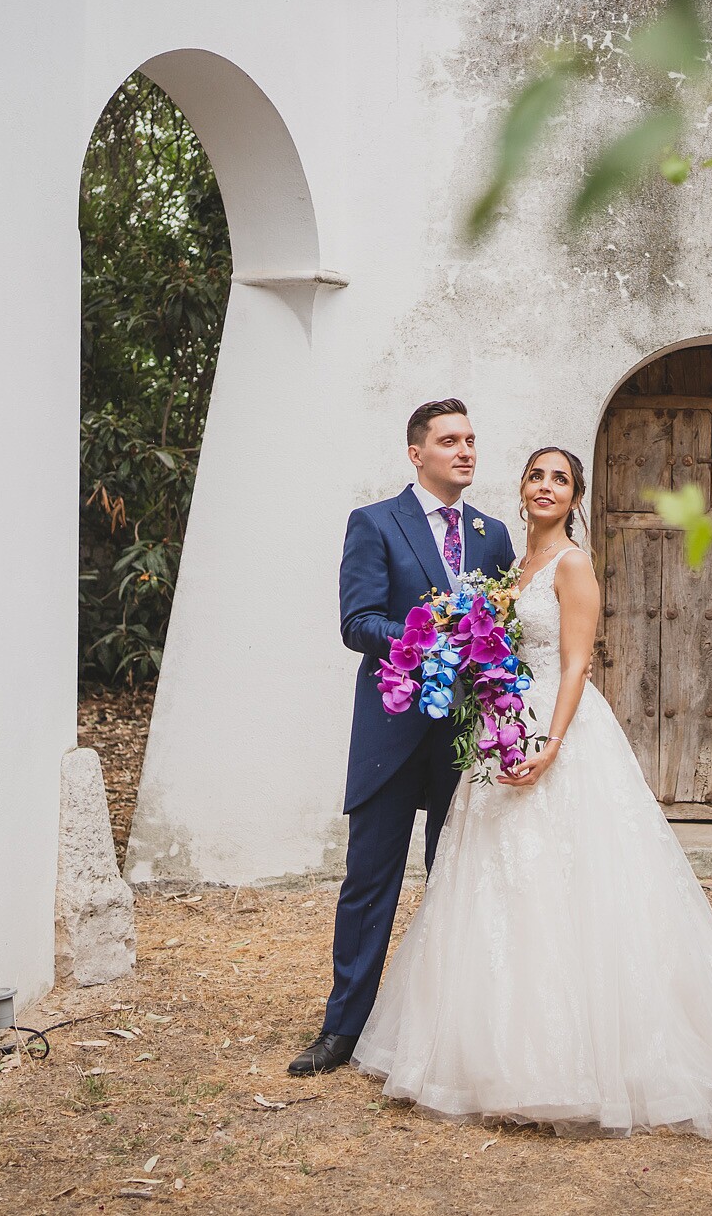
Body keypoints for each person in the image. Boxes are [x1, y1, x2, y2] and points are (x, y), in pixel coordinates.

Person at [349, 446, 712, 1136]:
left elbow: (578, 661)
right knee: (500, 890)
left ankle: (578, 1062)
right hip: (501, 725)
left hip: (557, 729)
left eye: (561, 478)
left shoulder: (573, 564)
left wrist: (551, 745)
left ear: (576, 496)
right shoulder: (507, 568)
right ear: (522, 489)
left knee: (570, 886)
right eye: (537, 475)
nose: (546, 486)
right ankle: (492, 1055)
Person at [290, 400, 518, 1077]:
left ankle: (451, 1030)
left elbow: (505, 631)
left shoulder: (493, 533)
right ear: (416, 453)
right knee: (369, 885)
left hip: (461, 739)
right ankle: (342, 1029)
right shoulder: (374, 523)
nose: (466, 450)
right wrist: (429, 632)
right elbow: (357, 622)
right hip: (391, 733)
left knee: (456, 882)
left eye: (472, 439)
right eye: (450, 440)